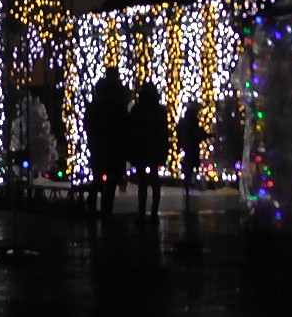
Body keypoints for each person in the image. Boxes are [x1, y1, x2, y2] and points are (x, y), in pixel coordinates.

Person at [85, 68, 129, 219]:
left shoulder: (95, 106)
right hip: (114, 147)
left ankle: (93, 207)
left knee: (98, 178)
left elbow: (89, 124)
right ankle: (106, 210)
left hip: (99, 146)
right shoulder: (118, 104)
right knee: (110, 181)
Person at [128, 82, 169, 225]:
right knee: (154, 181)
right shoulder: (160, 111)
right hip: (155, 148)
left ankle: (141, 212)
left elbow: (131, 131)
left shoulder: (137, 110)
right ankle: (153, 213)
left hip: (141, 148)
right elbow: (164, 133)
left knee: (143, 183)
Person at [177, 103, 212, 188]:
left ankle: (188, 181)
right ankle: (191, 181)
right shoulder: (193, 121)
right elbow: (197, 132)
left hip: (186, 146)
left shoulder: (184, 121)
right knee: (192, 163)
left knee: (189, 163)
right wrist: (207, 136)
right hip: (192, 146)